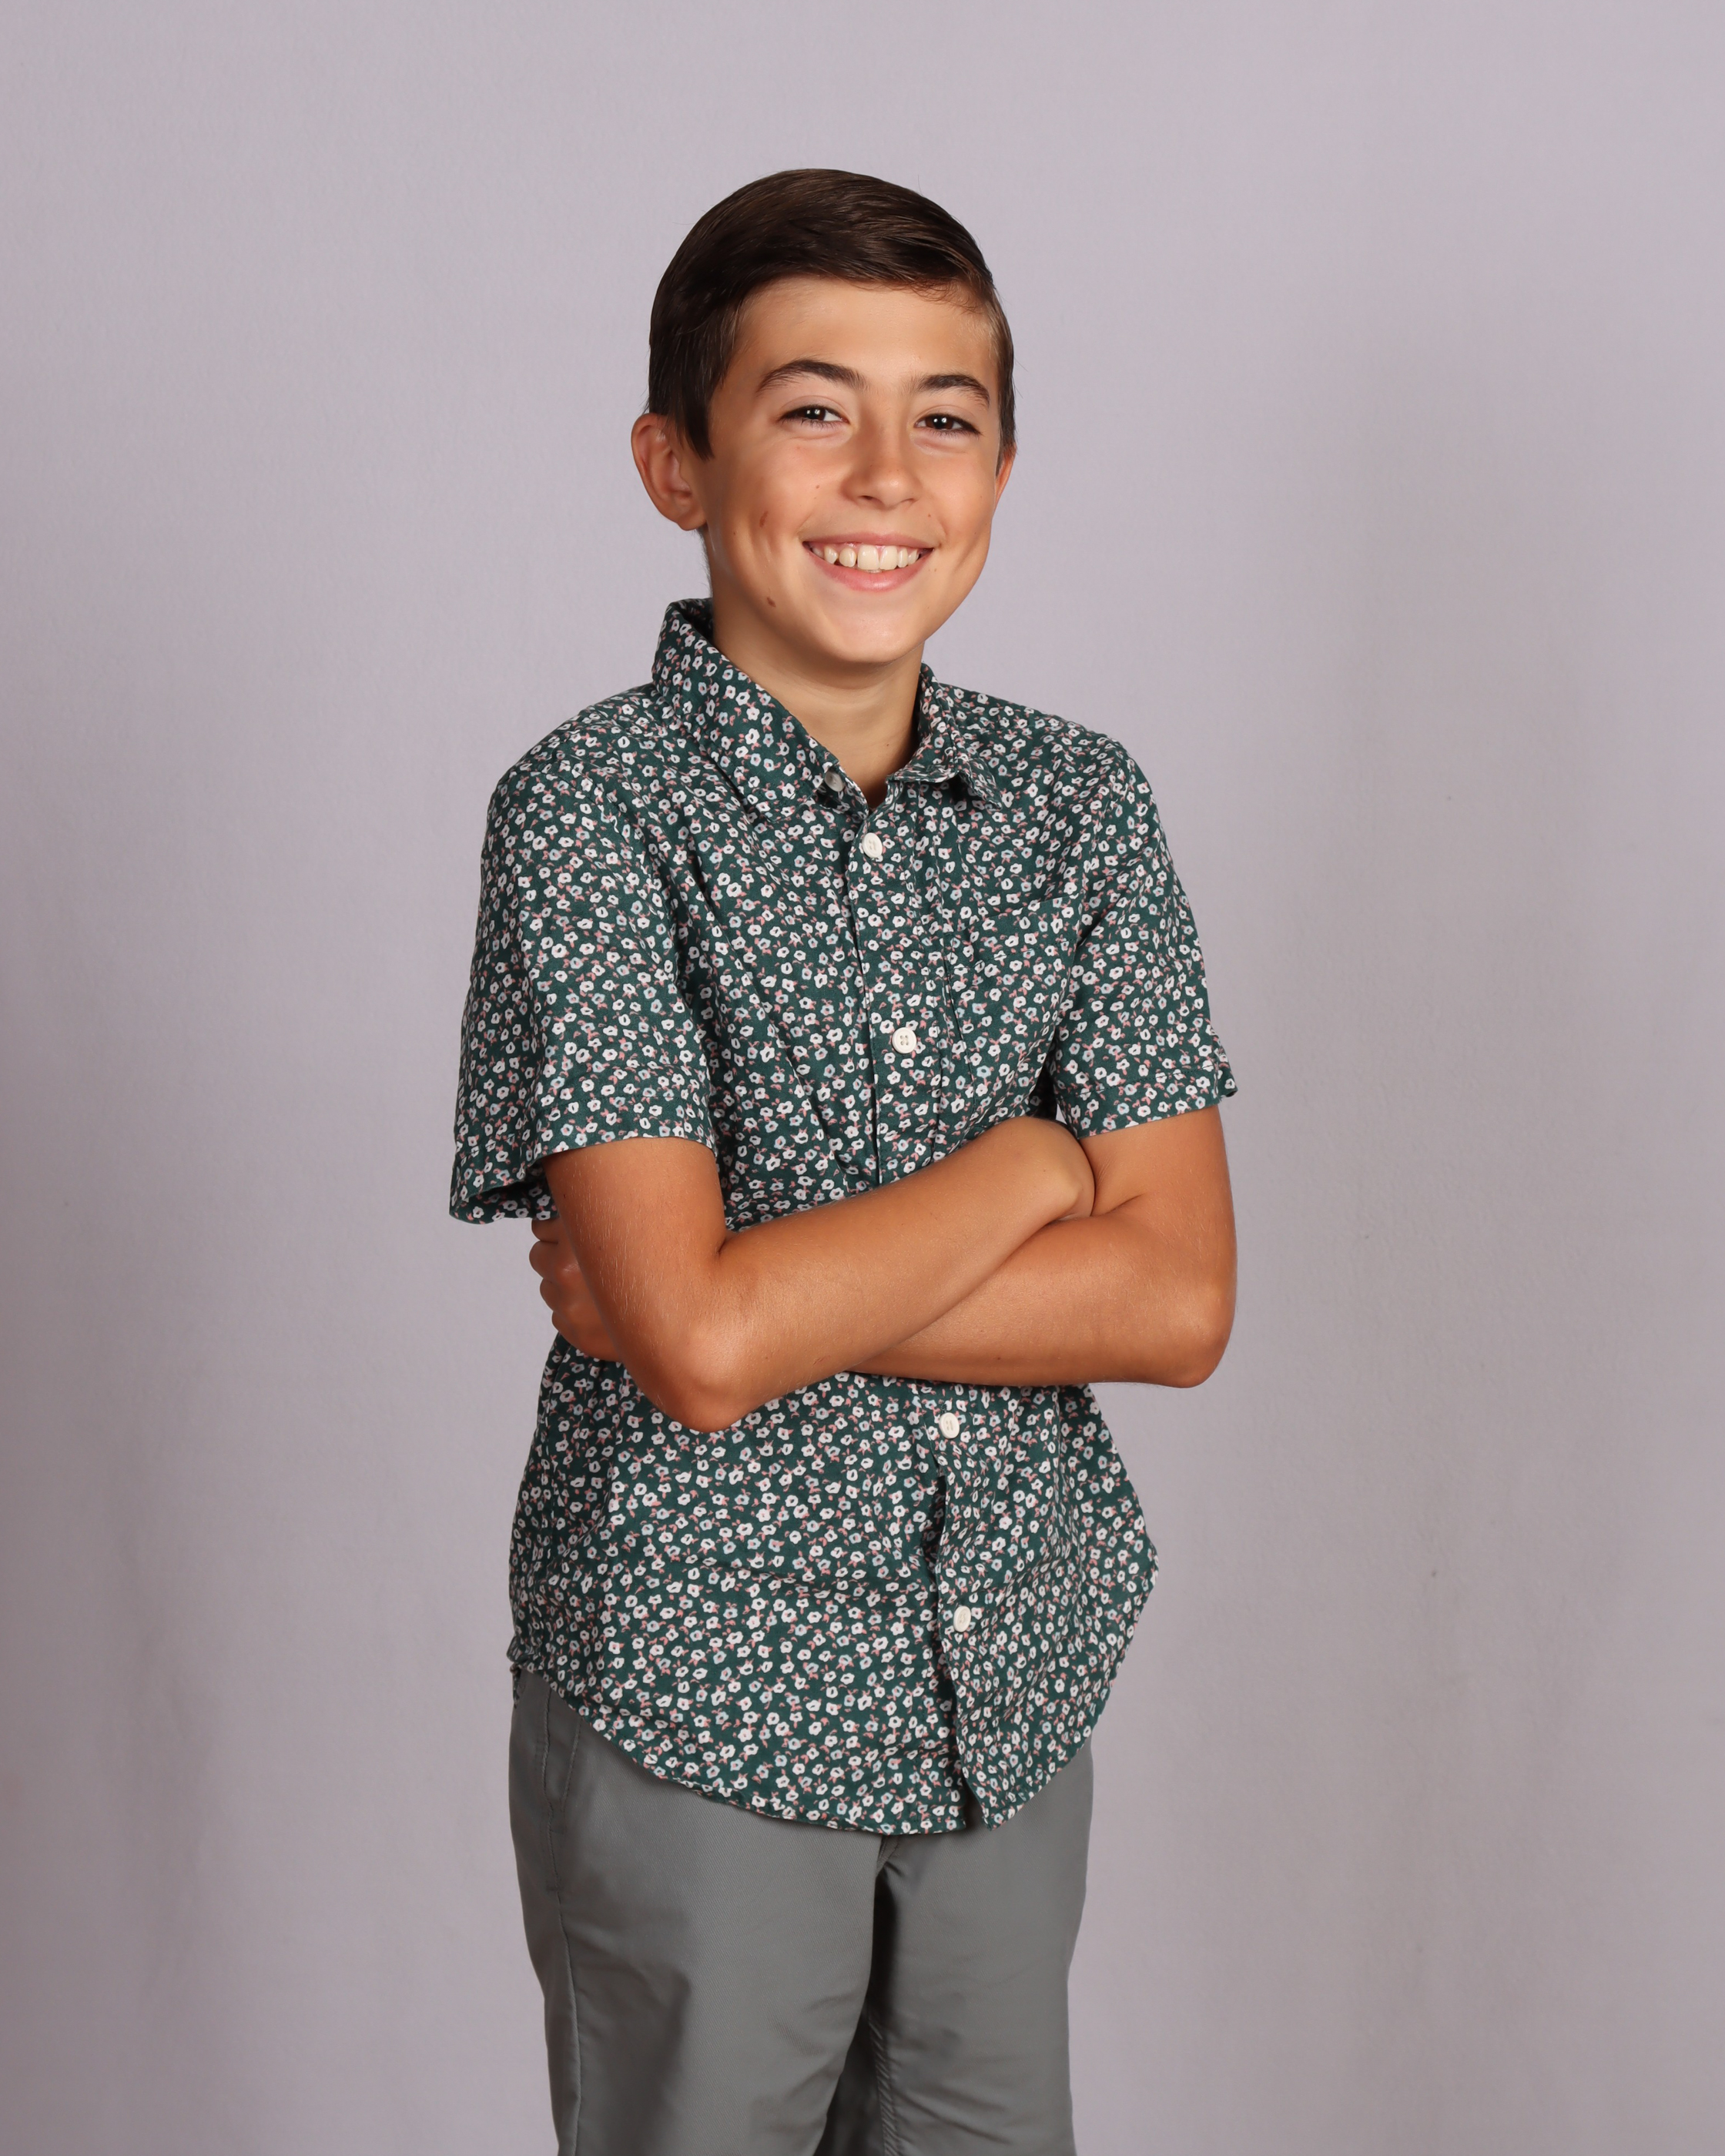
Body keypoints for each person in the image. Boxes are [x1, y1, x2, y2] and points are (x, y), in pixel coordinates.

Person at [451, 168, 1238, 2156]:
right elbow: (702, 1354)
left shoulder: (1081, 811)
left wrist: (744, 1292)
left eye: (944, 417)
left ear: (1001, 470)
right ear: (676, 462)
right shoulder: (588, 816)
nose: (887, 474)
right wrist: (1036, 1168)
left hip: (1004, 1691)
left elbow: (1177, 1301)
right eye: (814, 408)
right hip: (697, 1688)